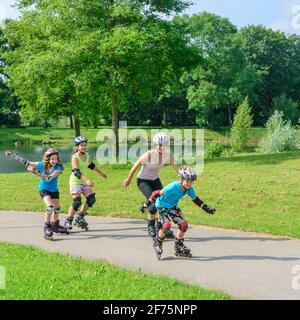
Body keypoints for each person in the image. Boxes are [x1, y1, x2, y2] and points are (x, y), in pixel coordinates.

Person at [146, 166, 216, 259]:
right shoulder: (173, 186)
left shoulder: (189, 189)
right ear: (181, 179)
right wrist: (147, 203)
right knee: (166, 225)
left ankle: (178, 246)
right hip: (161, 206)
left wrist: (206, 208)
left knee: (184, 225)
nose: (189, 184)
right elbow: (157, 193)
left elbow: (196, 199)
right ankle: (158, 243)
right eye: (187, 181)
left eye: (191, 181)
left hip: (173, 207)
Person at [123, 132, 179, 240]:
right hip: (143, 181)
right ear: (155, 144)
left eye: (163, 144)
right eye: (159, 144)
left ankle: (160, 226)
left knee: (163, 202)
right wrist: (128, 179)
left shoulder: (167, 155)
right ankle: (151, 226)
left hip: (155, 180)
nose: (161, 147)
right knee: (153, 204)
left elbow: (176, 167)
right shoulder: (149, 154)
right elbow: (135, 166)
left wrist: (184, 177)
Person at [5, 148, 68, 240]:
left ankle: (55, 226)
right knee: (50, 207)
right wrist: (13, 155)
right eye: (52, 159)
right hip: (44, 189)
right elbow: (26, 162)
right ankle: (47, 228)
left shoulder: (58, 168)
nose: (54, 161)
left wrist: (36, 172)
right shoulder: (41, 164)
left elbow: (48, 178)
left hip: (54, 190)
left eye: (56, 159)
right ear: (48, 159)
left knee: (57, 209)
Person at [64, 136, 107, 231]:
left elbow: (91, 165)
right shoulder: (74, 157)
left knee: (91, 199)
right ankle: (68, 221)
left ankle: (79, 217)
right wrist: (87, 180)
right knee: (77, 202)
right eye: (81, 145)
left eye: (84, 145)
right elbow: (76, 172)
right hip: (75, 182)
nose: (83, 147)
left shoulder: (86, 155)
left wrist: (101, 173)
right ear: (77, 147)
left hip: (84, 182)